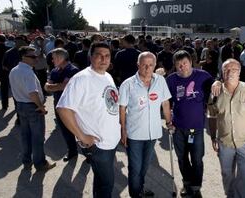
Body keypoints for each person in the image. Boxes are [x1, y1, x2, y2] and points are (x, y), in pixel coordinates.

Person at [56, 42, 121, 197]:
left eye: (107, 56)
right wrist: (82, 136)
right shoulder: (82, 78)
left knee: (100, 180)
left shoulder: (107, 75)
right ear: (90, 57)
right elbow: (63, 109)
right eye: (99, 55)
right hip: (97, 145)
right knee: (107, 184)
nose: (103, 59)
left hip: (110, 142)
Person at [208, 59, 245, 198]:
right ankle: (230, 195)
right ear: (222, 72)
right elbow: (212, 116)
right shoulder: (215, 92)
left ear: (239, 72)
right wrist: (213, 138)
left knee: (244, 176)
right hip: (224, 143)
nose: (230, 72)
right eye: (227, 69)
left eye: (234, 70)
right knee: (226, 174)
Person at [119, 51, 172, 198]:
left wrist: (169, 122)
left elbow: (166, 102)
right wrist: (123, 130)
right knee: (135, 168)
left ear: (155, 65)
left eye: (151, 65)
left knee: (144, 166)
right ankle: (135, 194)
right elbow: (122, 108)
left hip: (153, 132)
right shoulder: (128, 84)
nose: (147, 68)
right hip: (134, 133)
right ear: (138, 65)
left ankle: (140, 188)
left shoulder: (160, 81)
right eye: (144, 65)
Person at [166, 50, 214, 197]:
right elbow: (166, 101)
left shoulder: (203, 76)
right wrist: (168, 121)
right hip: (178, 127)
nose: (182, 67)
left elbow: (215, 87)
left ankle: (196, 186)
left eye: (185, 63)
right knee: (182, 158)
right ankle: (187, 184)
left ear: (191, 62)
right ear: (175, 65)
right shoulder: (171, 79)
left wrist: (217, 82)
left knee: (197, 159)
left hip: (196, 128)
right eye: (179, 65)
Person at [9, 46, 56, 171]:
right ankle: (40, 163)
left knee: (25, 135)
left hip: (20, 105)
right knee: (37, 137)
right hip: (32, 106)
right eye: (33, 56)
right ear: (24, 57)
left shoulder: (14, 70)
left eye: (36, 56)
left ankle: (27, 160)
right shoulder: (27, 72)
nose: (36, 58)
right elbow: (32, 93)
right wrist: (41, 107)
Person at [44, 48, 79, 162]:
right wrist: (55, 86)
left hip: (73, 105)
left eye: (54, 58)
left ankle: (88, 152)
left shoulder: (73, 70)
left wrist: (54, 86)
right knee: (64, 129)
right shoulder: (55, 71)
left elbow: (64, 86)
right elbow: (47, 87)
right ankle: (72, 151)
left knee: (79, 128)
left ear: (61, 58)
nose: (52, 61)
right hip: (59, 104)